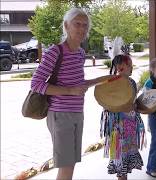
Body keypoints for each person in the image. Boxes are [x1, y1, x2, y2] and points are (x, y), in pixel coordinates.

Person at [30, 8, 111, 179]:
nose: (82, 29)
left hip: (77, 114)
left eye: (85, 25)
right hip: (60, 115)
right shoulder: (55, 51)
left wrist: (104, 79)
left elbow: (79, 85)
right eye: (77, 24)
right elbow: (36, 84)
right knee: (66, 166)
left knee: (70, 164)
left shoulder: (80, 53)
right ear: (66, 26)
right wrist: (70, 91)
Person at [100, 54, 145, 180]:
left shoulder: (132, 82)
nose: (131, 67)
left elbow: (134, 103)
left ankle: (123, 176)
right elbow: (106, 104)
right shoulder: (111, 82)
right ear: (120, 67)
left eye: (131, 65)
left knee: (127, 153)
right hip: (117, 127)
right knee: (120, 156)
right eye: (129, 65)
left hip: (130, 124)